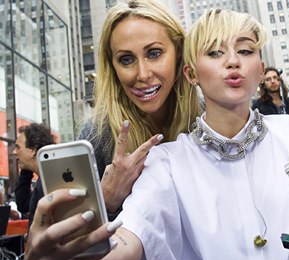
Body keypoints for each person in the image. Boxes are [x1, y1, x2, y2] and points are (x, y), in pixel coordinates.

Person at [24, 9, 289, 260]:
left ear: (261, 67)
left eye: (245, 51)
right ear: (191, 73)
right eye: (215, 52)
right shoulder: (164, 160)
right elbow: (129, 240)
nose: (233, 61)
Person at [76, 0, 201, 218]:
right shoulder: (96, 137)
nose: (142, 74)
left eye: (154, 53)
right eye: (126, 59)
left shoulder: (208, 118)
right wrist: (106, 201)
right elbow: (73, 243)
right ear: (113, 67)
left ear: (178, 53)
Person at [12, 123, 55, 227]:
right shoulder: (44, 178)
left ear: (33, 150)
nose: (14, 152)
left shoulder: (49, 182)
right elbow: (23, 205)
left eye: (18, 147)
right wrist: (26, 169)